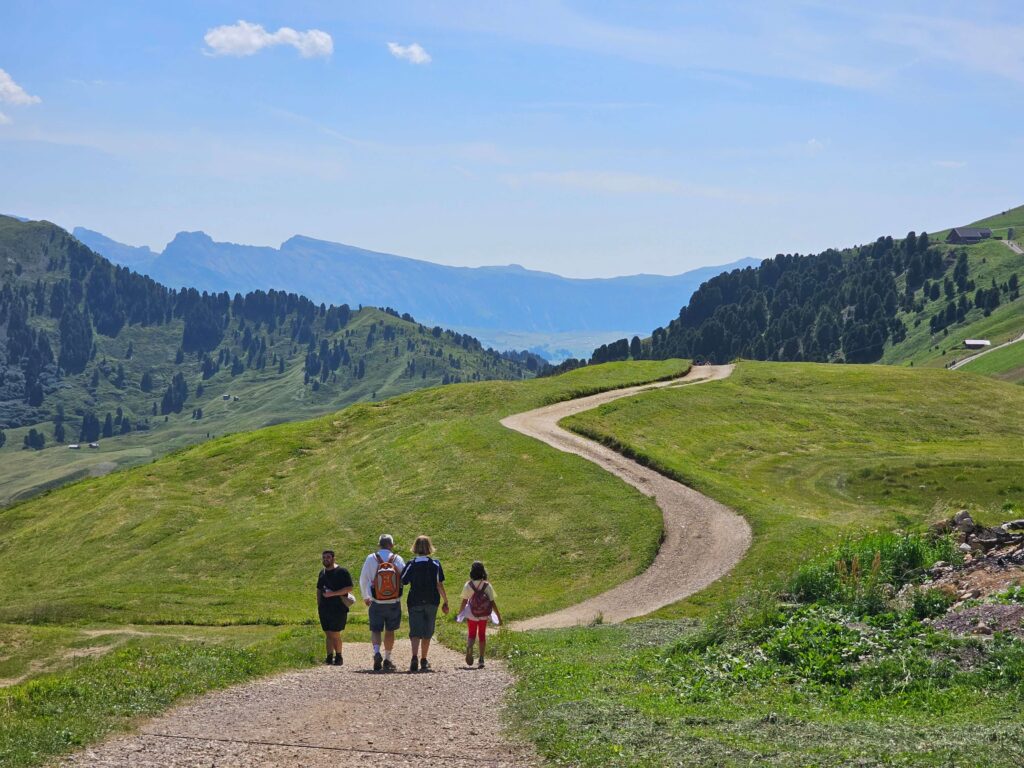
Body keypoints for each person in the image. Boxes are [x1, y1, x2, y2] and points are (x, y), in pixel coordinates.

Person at [400, 535, 449, 672]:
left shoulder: (411, 564)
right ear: (429, 548)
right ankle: (424, 659)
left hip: (415, 601)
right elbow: (439, 585)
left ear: (415, 547)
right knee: (428, 631)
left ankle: (414, 657)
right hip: (432, 601)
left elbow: (403, 581)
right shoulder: (435, 564)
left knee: (415, 631)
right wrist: (445, 601)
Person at [359, 533, 405, 672]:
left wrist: (366, 596)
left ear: (379, 545)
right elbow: (404, 578)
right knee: (390, 630)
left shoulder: (371, 558)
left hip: (376, 601)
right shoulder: (397, 559)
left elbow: (363, 579)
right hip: (393, 601)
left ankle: (376, 652)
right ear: (392, 545)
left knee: (376, 629)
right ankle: (387, 658)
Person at [458, 561, 501, 668]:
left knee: (471, 634)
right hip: (484, 614)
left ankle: (469, 646)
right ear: (483, 571)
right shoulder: (487, 585)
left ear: (471, 572)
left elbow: (464, 601)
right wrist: (499, 617)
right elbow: (492, 602)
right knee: (482, 635)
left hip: (471, 614)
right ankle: (481, 659)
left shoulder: (468, 585)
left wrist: (460, 614)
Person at [317, 550, 354, 666]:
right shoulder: (322, 573)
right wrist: (319, 605)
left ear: (333, 558)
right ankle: (329, 657)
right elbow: (319, 589)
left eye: (328, 557)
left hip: (338, 608)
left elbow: (349, 588)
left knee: (335, 633)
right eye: (324, 557)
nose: (325, 559)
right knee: (328, 634)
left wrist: (332, 594)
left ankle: (339, 656)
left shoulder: (342, 572)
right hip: (324, 608)